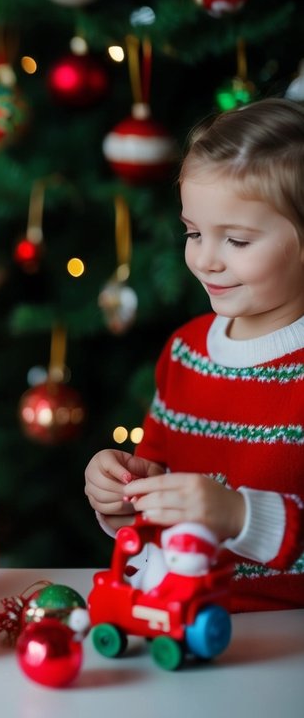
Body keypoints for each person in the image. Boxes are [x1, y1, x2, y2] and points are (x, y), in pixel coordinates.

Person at [84, 98, 304, 611]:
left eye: (238, 240)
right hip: (177, 615)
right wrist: (122, 498)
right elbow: (159, 494)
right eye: (194, 232)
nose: (205, 259)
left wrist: (243, 517)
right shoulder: (186, 351)